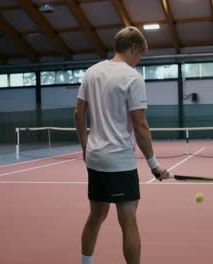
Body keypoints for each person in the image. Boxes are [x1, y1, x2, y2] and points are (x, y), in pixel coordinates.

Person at [74, 26, 170, 264]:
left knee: (95, 216)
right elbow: (140, 126)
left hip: (95, 157)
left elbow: (78, 112)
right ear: (133, 48)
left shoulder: (92, 72)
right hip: (119, 161)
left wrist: (85, 146)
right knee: (128, 222)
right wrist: (154, 165)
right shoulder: (132, 77)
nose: (138, 62)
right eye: (140, 56)